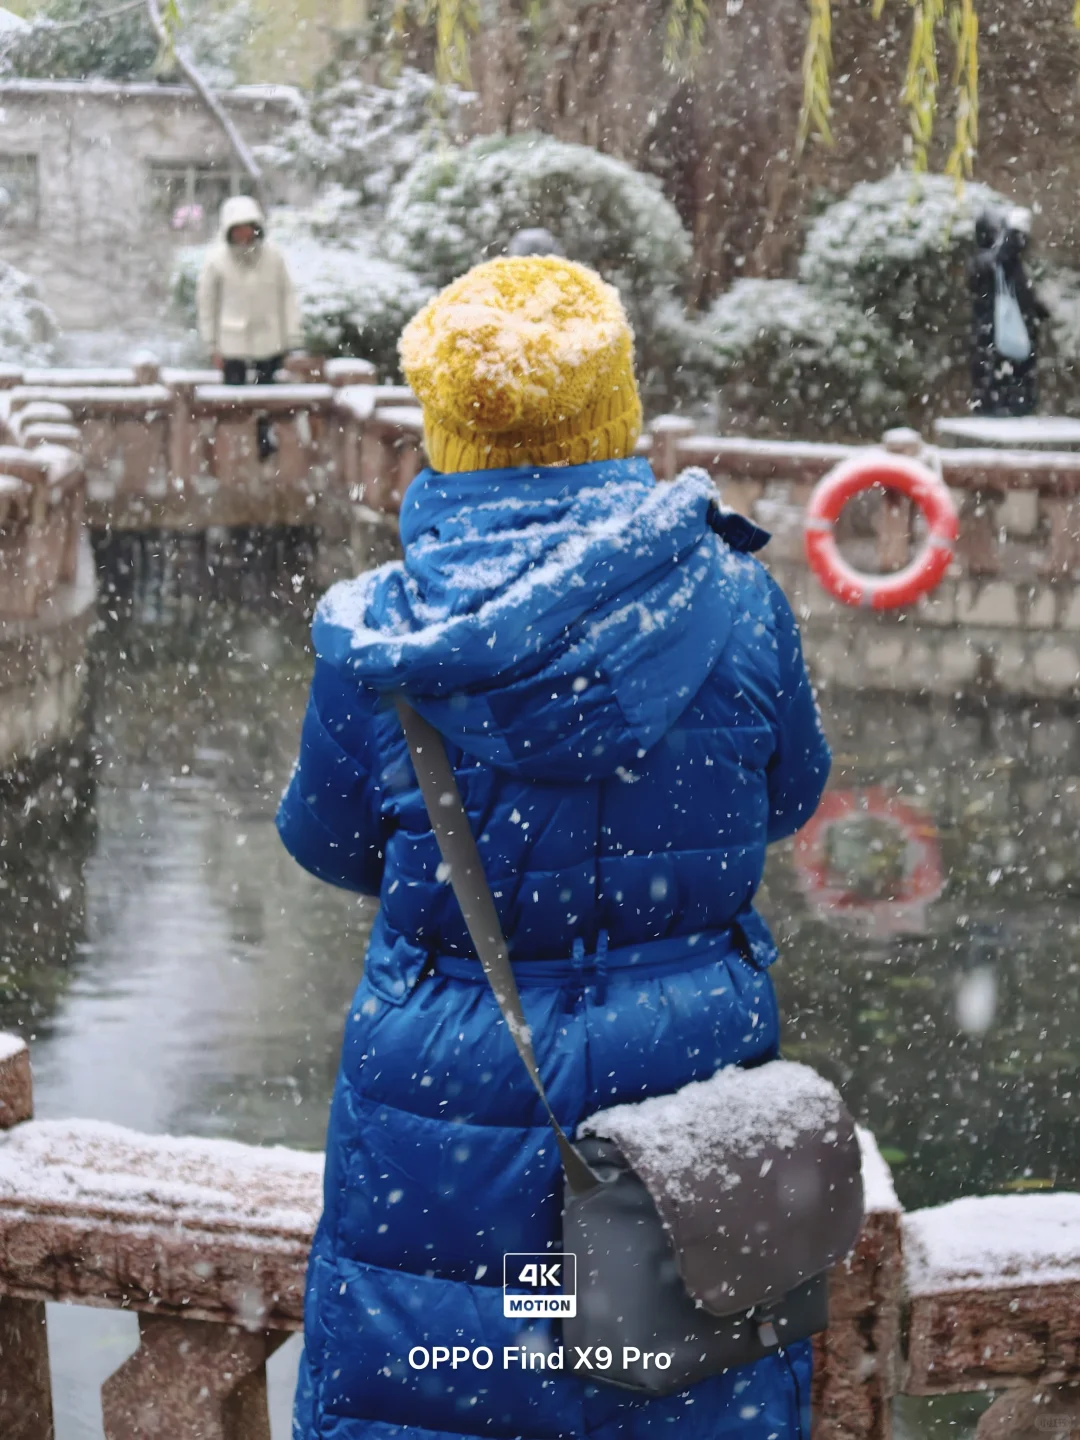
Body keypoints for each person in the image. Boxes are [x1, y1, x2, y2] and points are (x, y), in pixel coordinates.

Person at [276, 255, 831, 1440]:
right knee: (680, 1375)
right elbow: (789, 799)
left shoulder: (380, 637)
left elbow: (329, 844)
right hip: (684, 1092)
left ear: (445, 423)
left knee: (447, 1368)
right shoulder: (738, 600)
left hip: (446, 1088)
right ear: (614, 406)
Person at [196, 194, 302, 459]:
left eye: (248, 228)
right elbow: (207, 305)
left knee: (267, 401)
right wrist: (211, 345)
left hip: (269, 342)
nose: (244, 235)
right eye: (238, 229)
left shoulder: (274, 258)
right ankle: (232, 451)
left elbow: (287, 297)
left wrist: (292, 338)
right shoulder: (216, 261)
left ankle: (265, 447)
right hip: (232, 345)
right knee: (234, 403)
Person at [969, 205, 1050, 417]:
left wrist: (1038, 310)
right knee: (1001, 378)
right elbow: (1005, 255)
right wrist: (1015, 231)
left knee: (1016, 377)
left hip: (1010, 332)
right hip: (998, 334)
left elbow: (1019, 289)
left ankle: (1015, 407)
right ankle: (1003, 409)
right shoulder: (986, 260)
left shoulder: (1000, 262)